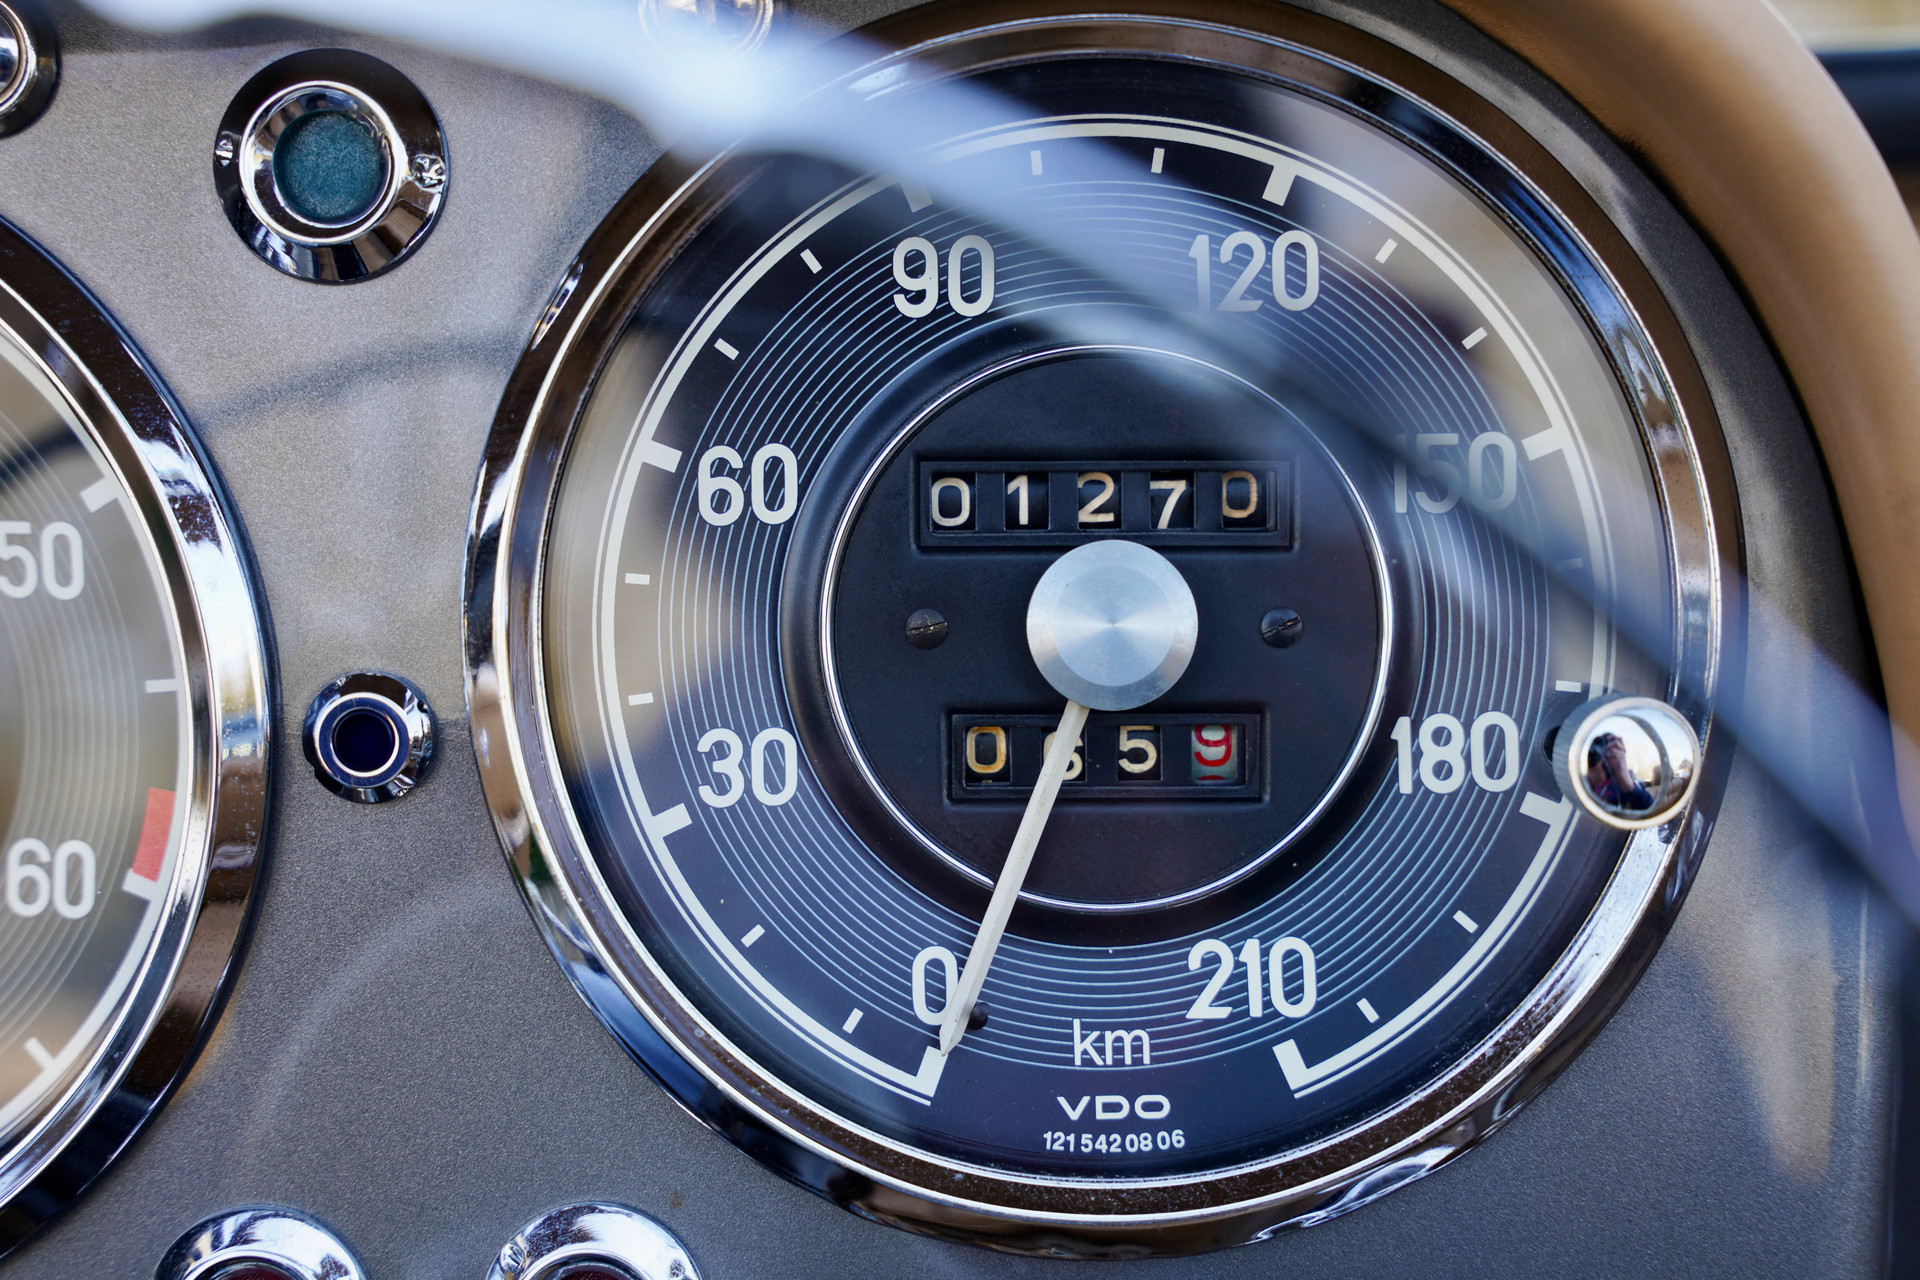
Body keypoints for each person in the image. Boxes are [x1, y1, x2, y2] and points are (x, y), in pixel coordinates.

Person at [1586, 731, 1655, 810]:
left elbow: (1649, 809)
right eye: (1592, 751)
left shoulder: (1620, 783)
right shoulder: (1580, 779)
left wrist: (1626, 782)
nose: (1595, 756)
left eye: (1610, 753)